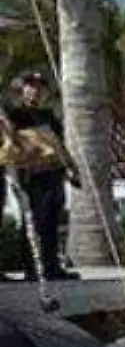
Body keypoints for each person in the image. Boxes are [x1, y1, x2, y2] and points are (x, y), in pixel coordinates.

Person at [6, 72, 75, 281]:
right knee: (35, 221)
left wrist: (71, 168)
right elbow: (12, 142)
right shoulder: (16, 115)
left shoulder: (48, 115)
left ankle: (52, 266)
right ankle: (33, 268)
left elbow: (59, 145)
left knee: (52, 222)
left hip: (53, 173)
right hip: (32, 175)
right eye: (30, 86)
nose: (35, 91)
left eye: (39, 87)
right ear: (23, 89)